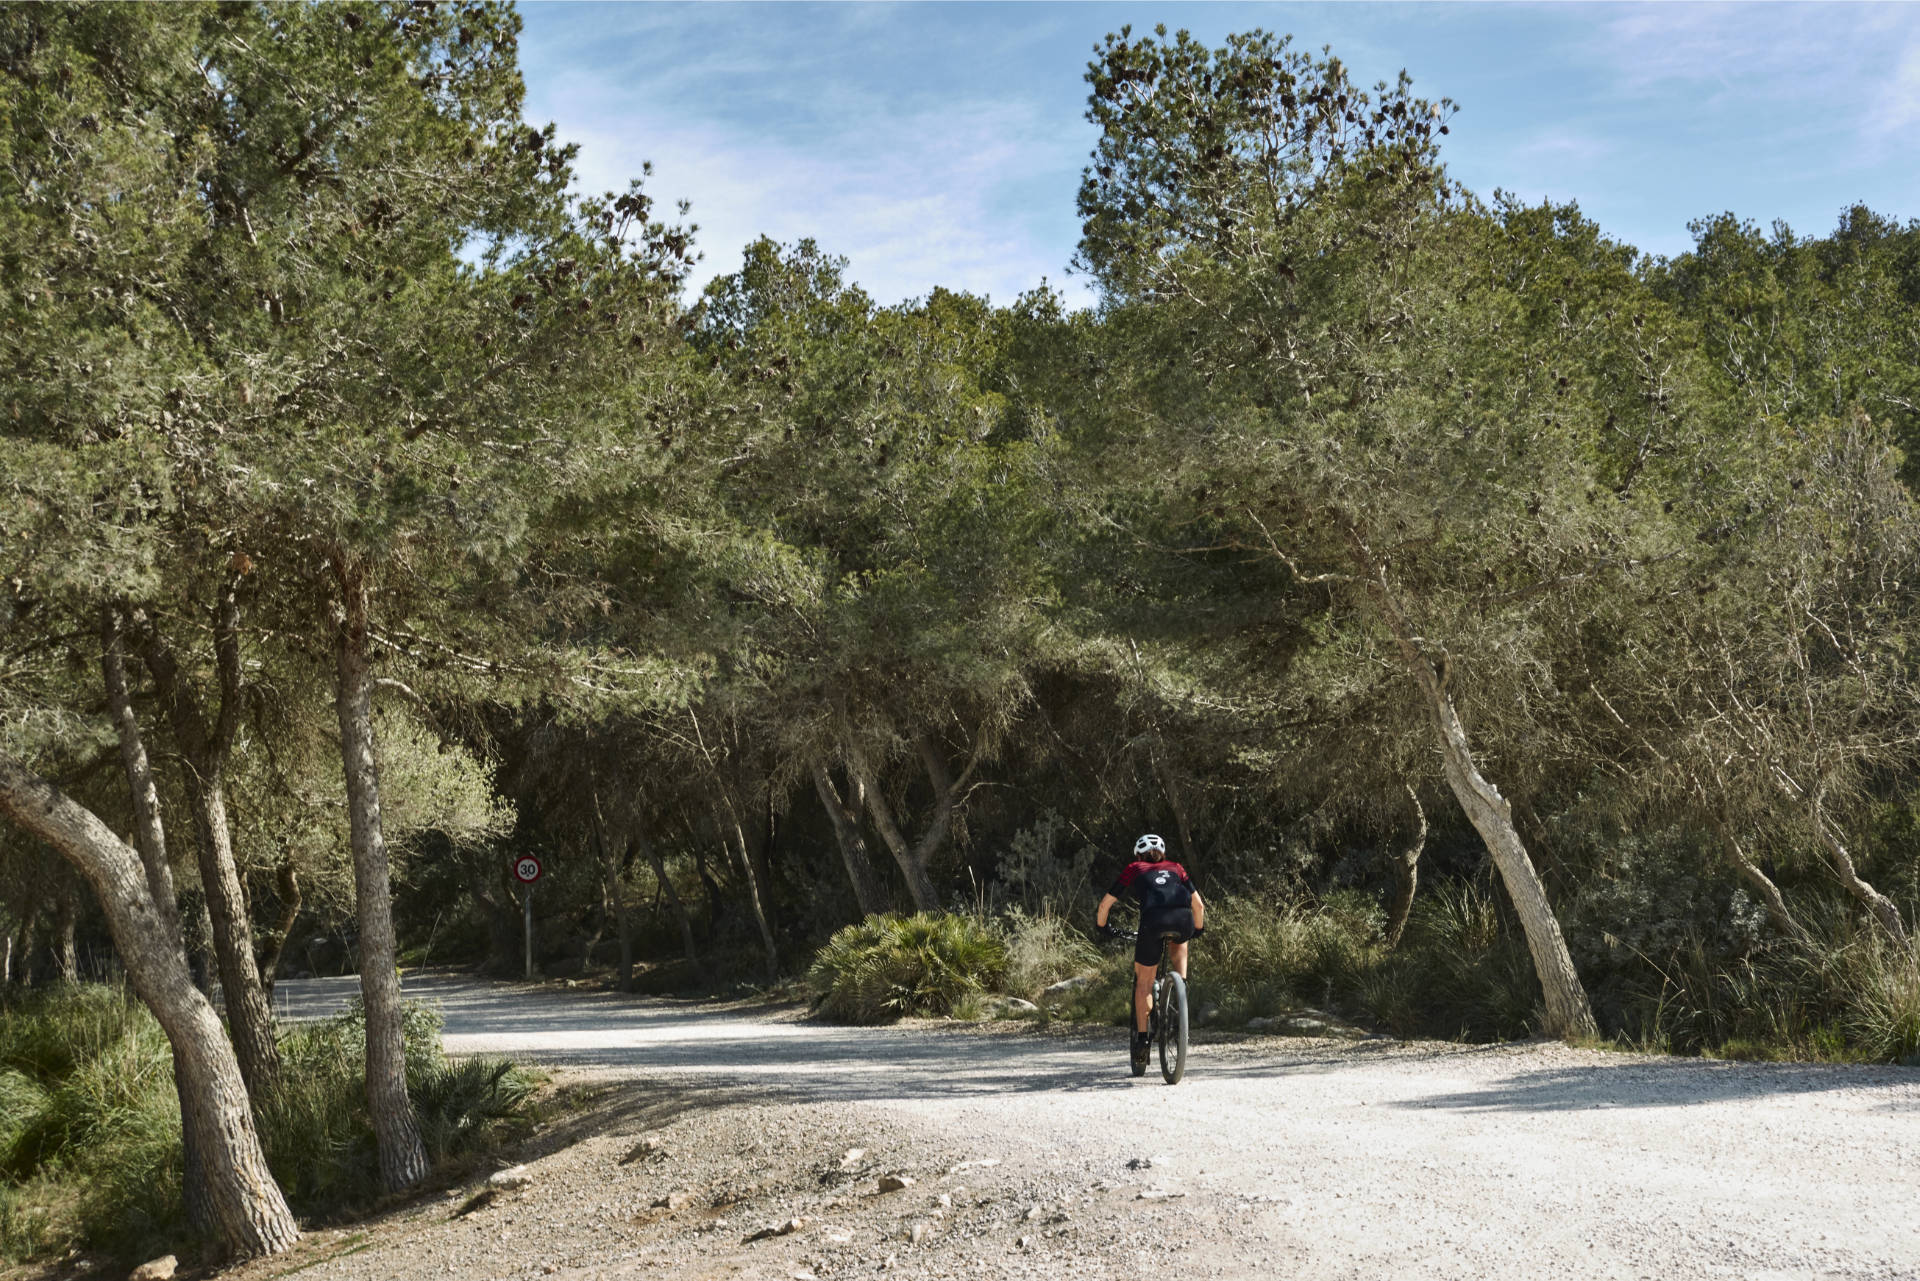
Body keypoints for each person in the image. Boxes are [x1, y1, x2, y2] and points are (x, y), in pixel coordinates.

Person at [1095, 833, 1205, 1072]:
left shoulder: (1135, 867)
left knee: (1144, 983)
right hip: (1182, 919)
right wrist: (1198, 929)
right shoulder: (1176, 867)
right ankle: (1181, 988)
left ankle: (1143, 1039)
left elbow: (1106, 904)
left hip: (1152, 922)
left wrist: (1102, 926)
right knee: (1182, 938)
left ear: (1138, 854)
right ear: (1162, 853)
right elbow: (1199, 905)